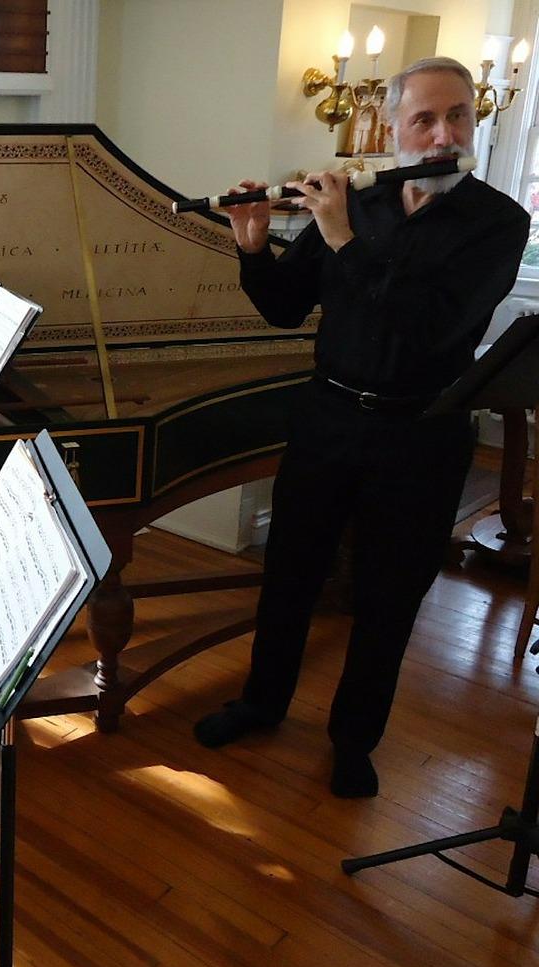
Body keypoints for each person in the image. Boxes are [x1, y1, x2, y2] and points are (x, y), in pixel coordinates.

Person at [193, 58, 529, 798]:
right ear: (392, 127)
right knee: (289, 576)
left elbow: (432, 329)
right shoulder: (358, 202)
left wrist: (343, 239)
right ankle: (260, 702)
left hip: (422, 435)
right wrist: (252, 247)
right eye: (426, 119)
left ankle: (353, 741)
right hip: (328, 418)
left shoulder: (499, 222)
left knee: (388, 596)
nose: (445, 134)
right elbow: (285, 306)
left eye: (459, 117)